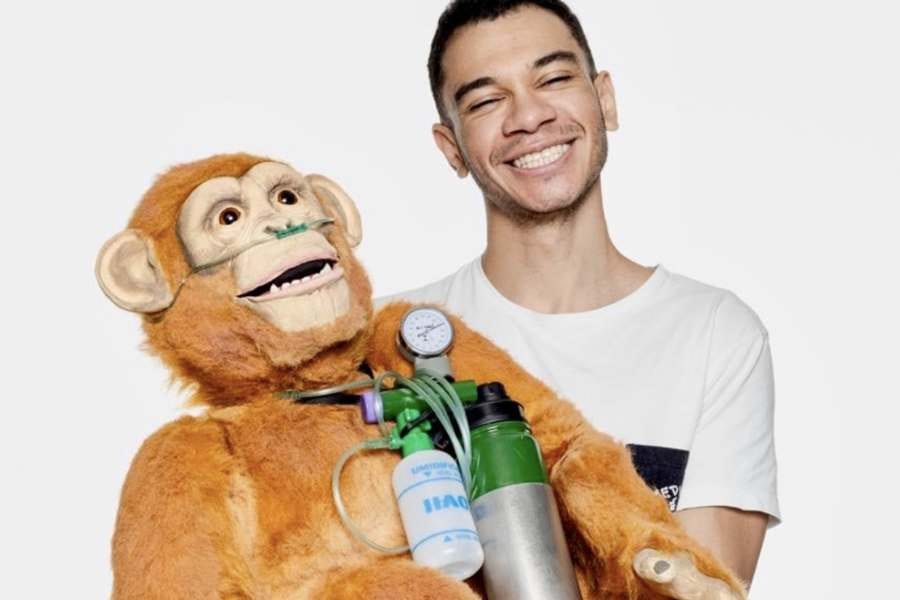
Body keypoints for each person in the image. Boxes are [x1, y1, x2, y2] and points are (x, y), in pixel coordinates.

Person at [379, 0, 779, 586]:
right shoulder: (390, 345)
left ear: (604, 100)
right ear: (452, 148)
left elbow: (707, 587)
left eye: (554, 79)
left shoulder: (714, 333)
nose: (528, 116)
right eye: (486, 101)